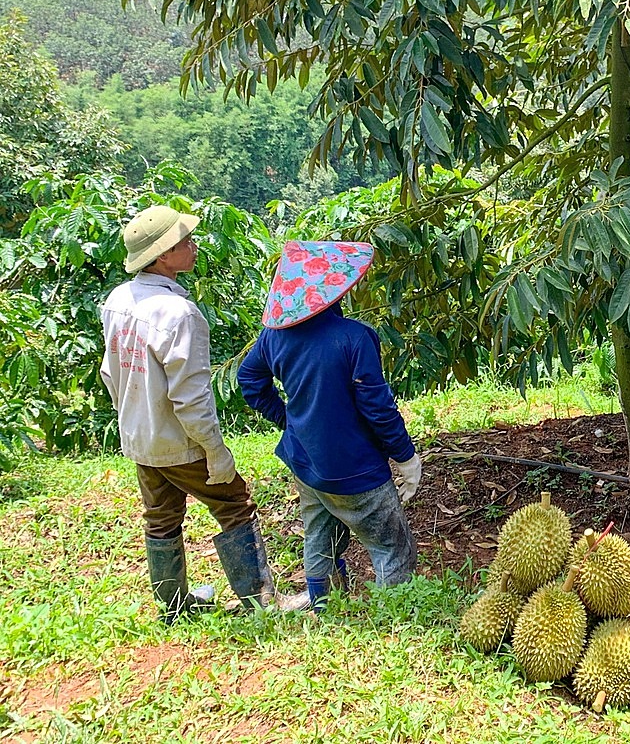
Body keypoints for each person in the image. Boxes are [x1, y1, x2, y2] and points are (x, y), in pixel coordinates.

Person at [100, 205, 275, 623]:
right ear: (162, 256)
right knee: (234, 504)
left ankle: (174, 607)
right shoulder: (179, 313)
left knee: (161, 517)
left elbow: (111, 372)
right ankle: (261, 603)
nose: (193, 247)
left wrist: (134, 417)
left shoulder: (119, 299)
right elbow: (191, 397)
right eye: (184, 242)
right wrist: (215, 449)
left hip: (141, 436)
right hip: (181, 440)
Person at [238, 241, 420, 611]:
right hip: (356, 469)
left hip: (306, 462)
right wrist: (405, 457)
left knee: (319, 535)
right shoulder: (355, 337)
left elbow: (249, 379)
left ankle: (325, 605)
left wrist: (288, 421)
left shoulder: (275, 335)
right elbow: (377, 407)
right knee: (391, 545)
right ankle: (394, 616)